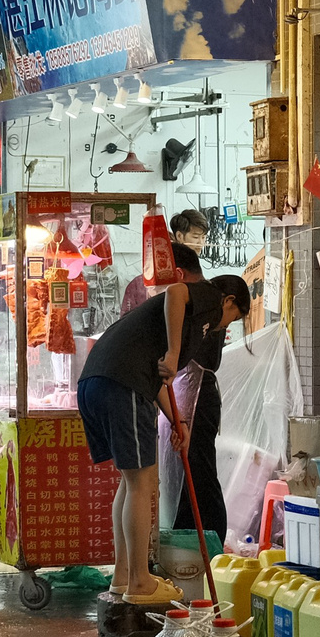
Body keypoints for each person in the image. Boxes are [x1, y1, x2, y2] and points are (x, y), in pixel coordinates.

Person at [77, 275, 249, 604]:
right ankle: (140, 580)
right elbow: (176, 292)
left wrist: (177, 421)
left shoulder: (183, 324)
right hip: (123, 383)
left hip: (98, 381)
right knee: (142, 483)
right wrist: (173, 353)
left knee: (131, 482)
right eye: (233, 318)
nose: (225, 326)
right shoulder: (210, 298)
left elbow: (157, 378)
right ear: (229, 301)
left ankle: (124, 575)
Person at [164, 209, 227, 541]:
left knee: (199, 471)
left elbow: (205, 358)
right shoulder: (178, 291)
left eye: (203, 237)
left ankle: (211, 540)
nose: (200, 242)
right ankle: (186, 538)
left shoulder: (203, 295)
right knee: (179, 474)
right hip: (177, 396)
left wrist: (173, 354)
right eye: (195, 236)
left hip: (198, 398)